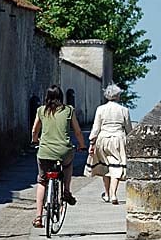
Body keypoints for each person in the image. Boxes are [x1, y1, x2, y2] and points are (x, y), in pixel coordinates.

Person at [31, 85, 86, 228]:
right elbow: (78, 132)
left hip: (45, 151)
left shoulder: (41, 110)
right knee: (68, 165)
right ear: (61, 97)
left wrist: (35, 140)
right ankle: (66, 191)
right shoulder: (69, 110)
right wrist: (82, 145)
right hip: (63, 150)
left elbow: (34, 130)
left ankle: (38, 217)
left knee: (42, 181)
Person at [87, 83, 132, 204]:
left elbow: (96, 128)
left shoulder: (100, 109)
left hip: (103, 139)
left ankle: (107, 194)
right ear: (117, 96)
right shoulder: (124, 110)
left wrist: (92, 142)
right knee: (116, 166)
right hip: (118, 139)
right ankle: (113, 194)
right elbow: (129, 129)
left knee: (105, 166)